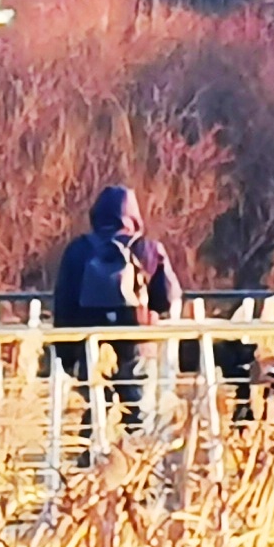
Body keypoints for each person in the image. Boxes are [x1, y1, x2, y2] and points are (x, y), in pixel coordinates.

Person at [48, 185, 177, 433]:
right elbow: (167, 299)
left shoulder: (78, 250)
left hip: (89, 342)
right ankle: (135, 463)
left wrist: (65, 353)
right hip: (138, 341)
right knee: (137, 413)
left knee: (94, 409)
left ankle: (91, 463)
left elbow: (64, 302)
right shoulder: (148, 248)